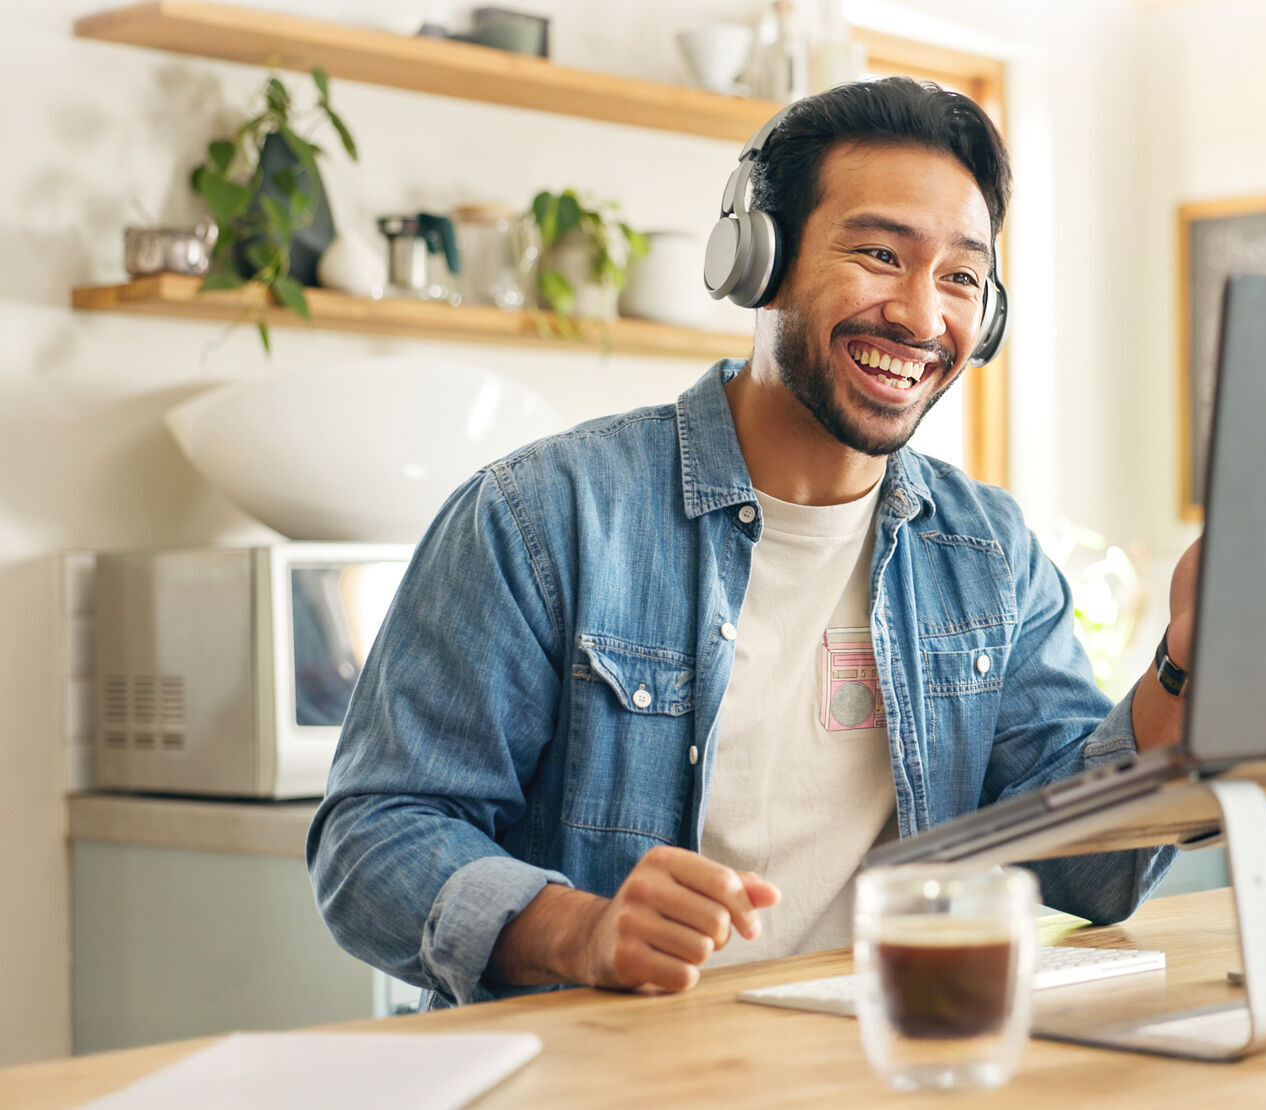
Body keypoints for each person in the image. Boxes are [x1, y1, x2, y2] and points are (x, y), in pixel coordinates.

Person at [307, 77, 1201, 1009]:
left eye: (962, 278)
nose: (922, 316)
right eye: (880, 253)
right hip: (605, 1077)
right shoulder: (542, 516)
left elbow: (1079, 871)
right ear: (755, 260)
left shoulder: (988, 552)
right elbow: (371, 840)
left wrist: (1179, 672)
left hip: (879, 1061)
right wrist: (583, 931)